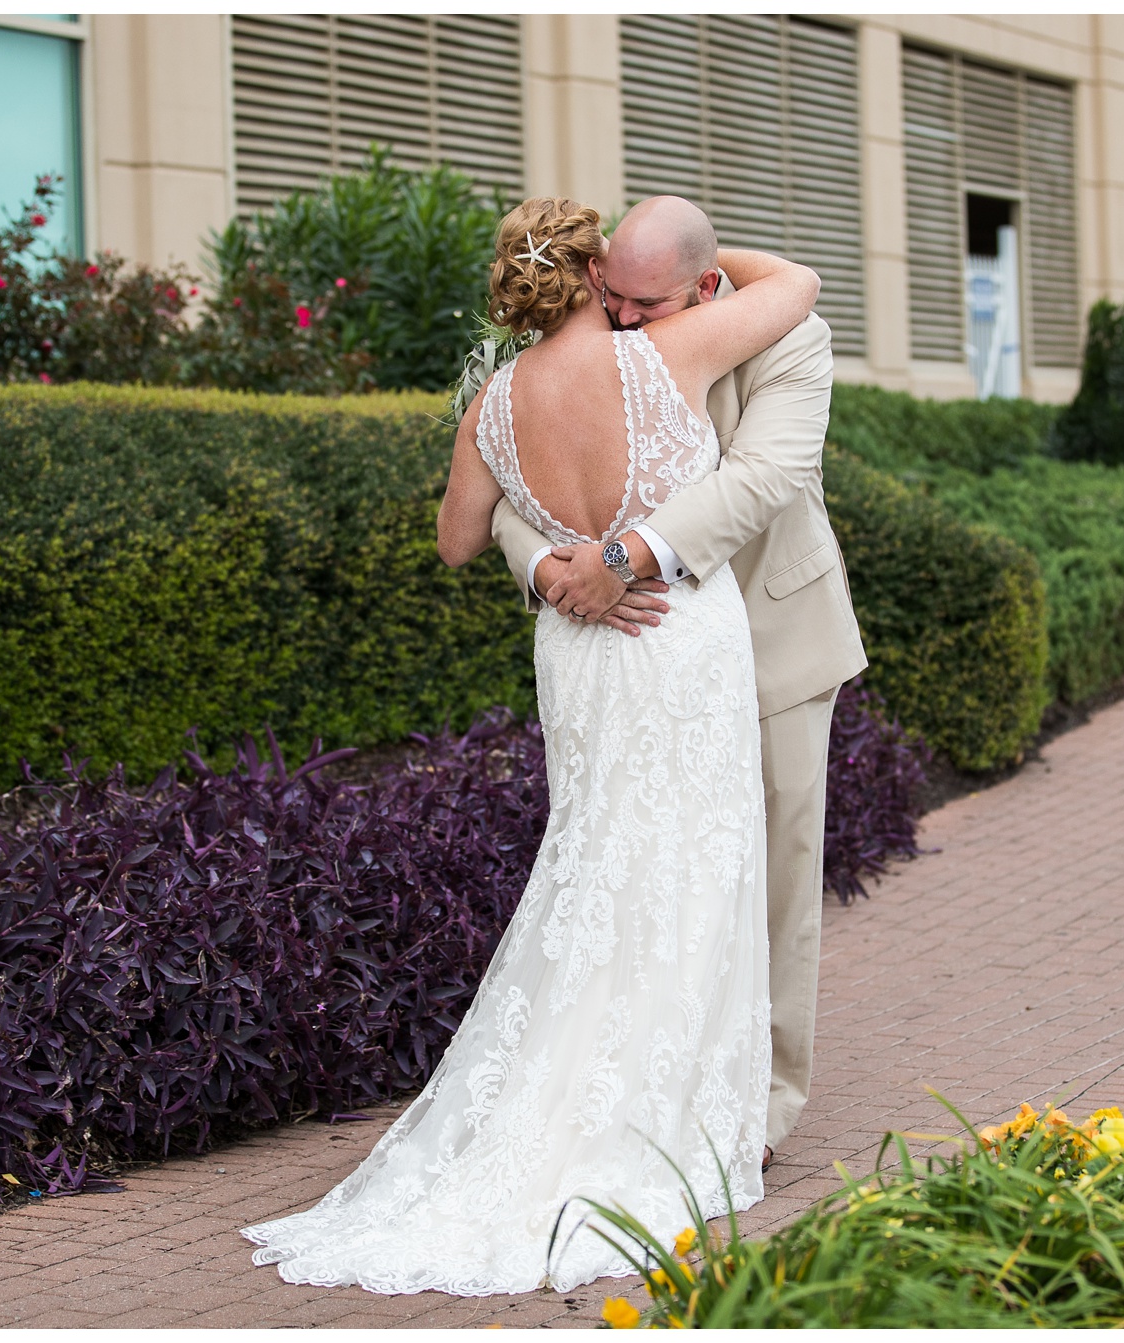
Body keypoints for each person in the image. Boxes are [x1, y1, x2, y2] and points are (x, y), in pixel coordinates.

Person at [241, 196, 825, 1297]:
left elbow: (457, 538)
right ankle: (663, 1113)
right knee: (687, 869)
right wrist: (570, 554)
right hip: (677, 639)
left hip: (584, 655)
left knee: (594, 863)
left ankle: (571, 1099)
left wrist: (557, 541)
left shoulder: (492, 400)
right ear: (591, 272)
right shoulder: (668, 348)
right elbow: (793, 279)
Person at [490, 196, 867, 1173]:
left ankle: (763, 1109)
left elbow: (763, 476)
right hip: (647, 659)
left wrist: (625, 554)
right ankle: (635, 1087)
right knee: (641, 874)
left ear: (705, 289)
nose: (618, 321)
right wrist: (549, 568)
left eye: (642, 303)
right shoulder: (600, 338)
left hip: (775, 643)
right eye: (606, 295)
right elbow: (506, 490)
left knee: (776, 881)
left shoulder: (789, 335)